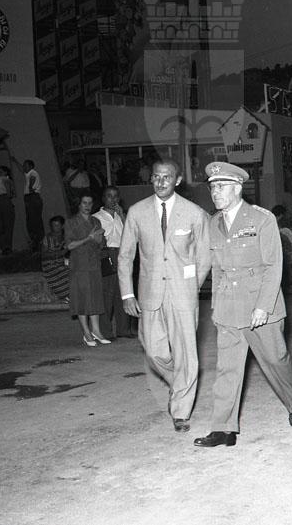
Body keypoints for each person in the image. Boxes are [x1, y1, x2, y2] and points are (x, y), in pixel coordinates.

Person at [194, 162, 292, 449]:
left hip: (260, 306)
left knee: (275, 361)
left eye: (221, 186)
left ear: (238, 188)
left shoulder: (262, 219)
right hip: (229, 307)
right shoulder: (213, 223)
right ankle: (224, 429)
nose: (215, 192)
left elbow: (273, 266)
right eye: (212, 187)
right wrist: (216, 306)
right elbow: (217, 268)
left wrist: (263, 306)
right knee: (226, 369)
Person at [118, 159, 210, 432]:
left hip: (183, 295)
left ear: (177, 180)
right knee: (154, 352)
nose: (160, 182)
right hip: (150, 294)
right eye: (156, 177)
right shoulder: (137, 212)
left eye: (166, 177)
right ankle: (179, 383)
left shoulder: (194, 213)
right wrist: (127, 294)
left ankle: (181, 411)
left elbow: (205, 256)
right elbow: (125, 256)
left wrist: (192, 286)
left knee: (186, 353)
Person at [65, 193, 110, 347]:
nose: (87, 206)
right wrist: (88, 238)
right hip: (79, 266)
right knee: (82, 298)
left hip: (94, 264)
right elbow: (69, 245)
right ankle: (86, 332)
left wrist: (99, 239)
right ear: (79, 204)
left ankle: (96, 331)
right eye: (84, 203)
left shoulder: (96, 221)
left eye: (90, 203)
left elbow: (101, 244)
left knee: (95, 296)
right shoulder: (71, 222)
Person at [93, 186, 134, 338]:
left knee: (123, 292)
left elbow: (131, 234)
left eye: (115, 196)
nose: (113, 199)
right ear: (103, 198)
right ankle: (105, 331)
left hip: (122, 254)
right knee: (106, 294)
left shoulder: (120, 216)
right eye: (109, 196)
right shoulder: (96, 217)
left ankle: (123, 330)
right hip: (106, 254)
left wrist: (122, 215)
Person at [41, 215, 70, 302]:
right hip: (49, 264)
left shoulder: (66, 237)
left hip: (61, 262)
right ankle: (66, 296)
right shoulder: (48, 238)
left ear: (62, 226)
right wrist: (58, 253)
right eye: (53, 225)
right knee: (64, 274)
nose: (54, 228)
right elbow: (44, 254)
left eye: (57, 225)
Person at [22, 160, 45, 250]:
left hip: (33, 197)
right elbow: (22, 170)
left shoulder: (33, 172)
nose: (24, 167)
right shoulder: (28, 174)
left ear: (31, 166)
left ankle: (38, 242)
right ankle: (37, 242)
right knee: (32, 220)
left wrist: (30, 187)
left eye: (25, 165)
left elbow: (32, 178)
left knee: (34, 220)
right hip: (31, 197)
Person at [0, 165, 15, 255]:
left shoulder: (3, 178)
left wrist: (8, 196)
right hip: (3, 200)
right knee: (1, 226)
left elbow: (10, 189)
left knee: (7, 224)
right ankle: (5, 247)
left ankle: (7, 247)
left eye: (1, 171)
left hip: (4, 199)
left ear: (5, 172)